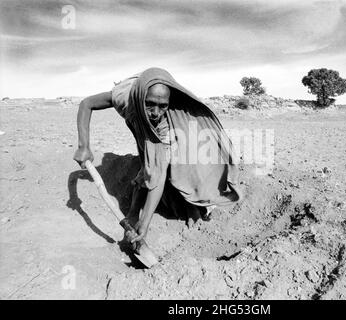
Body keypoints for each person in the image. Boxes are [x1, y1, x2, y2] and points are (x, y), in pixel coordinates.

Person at [73, 67, 241, 245]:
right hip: (136, 101)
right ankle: (132, 211)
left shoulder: (165, 124)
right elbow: (87, 104)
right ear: (140, 99)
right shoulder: (124, 98)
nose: (155, 112)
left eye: (162, 106)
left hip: (165, 130)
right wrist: (84, 146)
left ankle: (190, 205)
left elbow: (157, 174)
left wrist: (144, 222)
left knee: (175, 162)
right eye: (150, 104)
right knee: (147, 156)